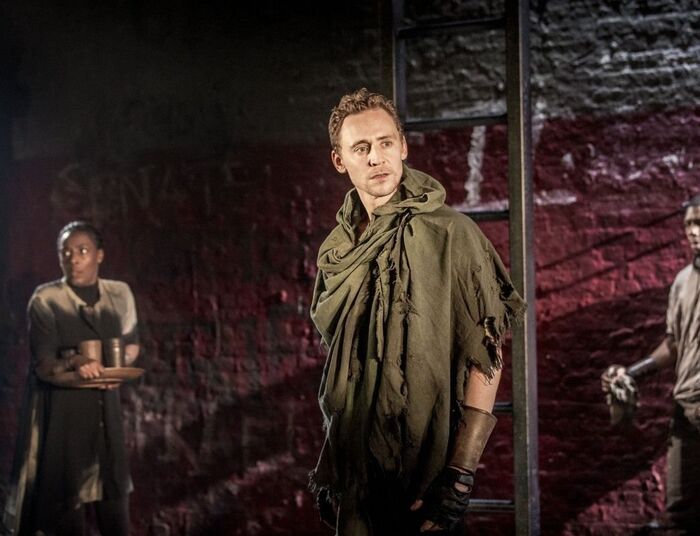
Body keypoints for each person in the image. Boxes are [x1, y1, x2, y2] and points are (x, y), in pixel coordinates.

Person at [309, 88, 525, 535]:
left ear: (403, 147)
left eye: (386, 142)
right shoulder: (337, 251)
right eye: (361, 148)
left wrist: (460, 474)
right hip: (356, 462)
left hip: (427, 461)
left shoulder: (452, 234)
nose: (376, 158)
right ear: (339, 161)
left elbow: (485, 353)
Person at [2, 221, 140, 536]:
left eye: (82, 251)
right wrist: (76, 362)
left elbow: (132, 344)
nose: (73, 259)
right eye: (66, 252)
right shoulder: (46, 299)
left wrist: (119, 367)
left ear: (99, 255)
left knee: (116, 518)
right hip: (64, 425)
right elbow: (43, 364)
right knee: (66, 519)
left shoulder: (119, 294)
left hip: (106, 424)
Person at [601, 194, 700, 533]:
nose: (693, 231)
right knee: (679, 513)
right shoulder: (683, 282)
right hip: (687, 406)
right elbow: (674, 344)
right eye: (689, 224)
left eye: (699, 223)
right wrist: (631, 373)